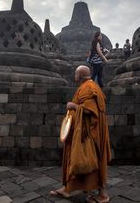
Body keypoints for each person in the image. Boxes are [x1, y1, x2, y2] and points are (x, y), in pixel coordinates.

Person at [50, 65, 112, 203]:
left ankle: (103, 195)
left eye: (76, 73)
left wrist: (73, 106)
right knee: (76, 157)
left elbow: (91, 110)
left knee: (93, 158)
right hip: (83, 129)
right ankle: (67, 188)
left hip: (90, 132)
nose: (74, 75)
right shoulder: (87, 86)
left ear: (81, 75)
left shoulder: (89, 88)